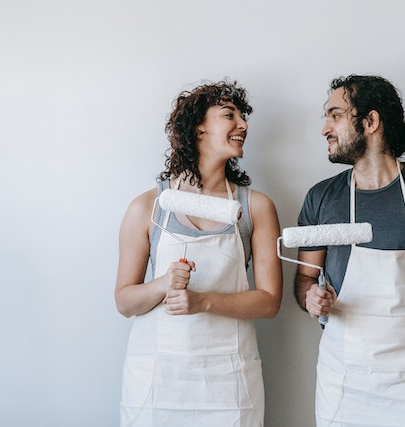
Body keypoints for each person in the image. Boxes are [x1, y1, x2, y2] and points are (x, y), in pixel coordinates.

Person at [294, 74, 405, 426]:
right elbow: (304, 277)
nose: (324, 129)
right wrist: (310, 297)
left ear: (371, 121)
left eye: (335, 115)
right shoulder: (321, 198)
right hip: (342, 381)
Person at [115, 80, 282, 426]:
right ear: (199, 128)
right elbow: (124, 302)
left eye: (243, 117)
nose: (244, 126)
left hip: (229, 383)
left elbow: (269, 302)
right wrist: (163, 284)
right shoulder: (146, 207)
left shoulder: (256, 208)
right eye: (229, 115)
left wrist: (202, 301)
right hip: (158, 384)